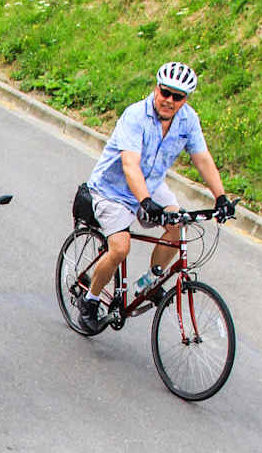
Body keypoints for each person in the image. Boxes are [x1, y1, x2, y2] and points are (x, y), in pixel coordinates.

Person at [78, 60, 234, 324]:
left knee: (178, 227)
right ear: (156, 88)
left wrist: (221, 197)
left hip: (151, 185)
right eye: (165, 92)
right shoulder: (135, 115)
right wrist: (145, 202)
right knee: (119, 248)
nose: (169, 100)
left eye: (178, 96)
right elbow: (130, 165)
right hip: (112, 190)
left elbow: (202, 158)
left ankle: (148, 284)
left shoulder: (188, 119)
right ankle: (90, 300)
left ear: (185, 98)